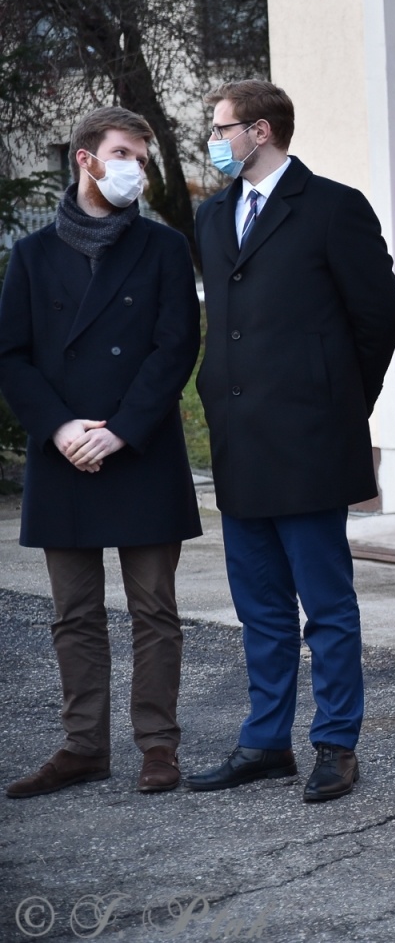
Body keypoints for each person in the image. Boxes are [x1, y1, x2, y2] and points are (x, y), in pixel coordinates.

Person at [184, 80, 395, 803]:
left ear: (261, 131)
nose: (213, 142)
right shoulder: (213, 216)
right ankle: (264, 740)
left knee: (327, 606)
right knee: (260, 607)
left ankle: (336, 744)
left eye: (220, 129)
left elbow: (379, 316)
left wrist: (338, 404)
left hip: (311, 440)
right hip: (240, 441)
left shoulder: (334, 207)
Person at [0, 108, 201, 798]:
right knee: (73, 613)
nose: (134, 169)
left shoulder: (164, 248)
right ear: (85, 159)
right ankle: (83, 745)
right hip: (65, 453)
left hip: (138, 446)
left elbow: (175, 346)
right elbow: (12, 356)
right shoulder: (30, 256)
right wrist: (61, 430)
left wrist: (119, 429)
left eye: (142, 158)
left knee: (155, 611)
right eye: (123, 154)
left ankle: (158, 745)